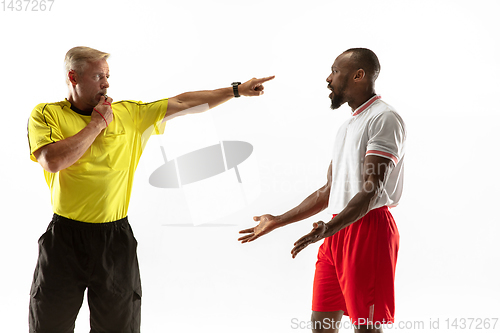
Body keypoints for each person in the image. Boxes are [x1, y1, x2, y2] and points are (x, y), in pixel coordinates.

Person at [27, 46, 274, 332]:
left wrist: (236, 90)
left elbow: (182, 102)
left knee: (119, 327)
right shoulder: (46, 114)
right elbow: (53, 161)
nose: (106, 83)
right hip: (64, 239)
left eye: (107, 76)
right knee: (48, 325)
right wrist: (96, 125)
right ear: (73, 76)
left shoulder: (129, 113)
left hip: (114, 241)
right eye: (98, 76)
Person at [239, 48, 406, 333]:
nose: (328, 79)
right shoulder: (347, 126)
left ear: (358, 75)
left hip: (368, 228)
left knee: (366, 328)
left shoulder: (384, 118)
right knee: (322, 325)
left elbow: (370, 191)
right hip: (337, 229)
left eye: (335, 71)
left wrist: (328, 228)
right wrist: (279, 220)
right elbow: (330, 190)